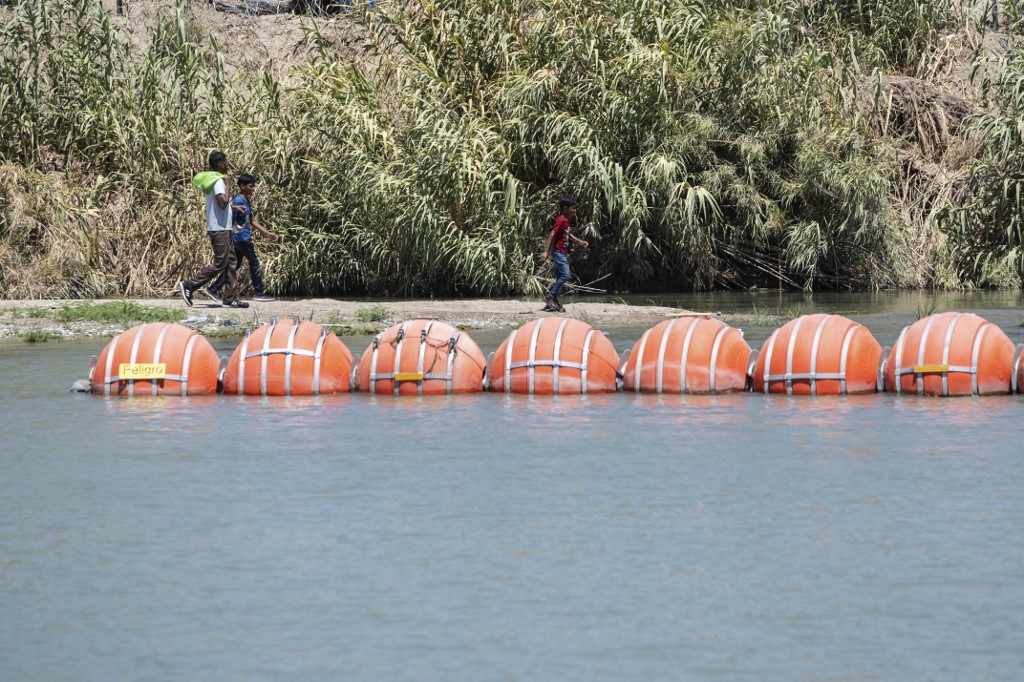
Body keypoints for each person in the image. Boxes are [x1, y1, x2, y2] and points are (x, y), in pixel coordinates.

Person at [179, 151, 248, 309]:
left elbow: (221, 205)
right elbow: (222, 203)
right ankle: (189, 286)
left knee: (231, 262)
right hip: (219, 228)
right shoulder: (218, 181)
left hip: (223, 227)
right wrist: (228, 184)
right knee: (220, 263)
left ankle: (230, 298)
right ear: (220, 164)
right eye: (226, 161)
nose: (228, 163)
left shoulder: (215, 180)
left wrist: (233, 206)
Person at [204, 173, 279, 303]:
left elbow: (251, 220)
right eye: (251, 186)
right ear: (242, 186)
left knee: (235, 264)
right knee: (254, 263)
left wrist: (267, 233)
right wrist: (233, 209)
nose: (253, 188)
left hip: (240, 238)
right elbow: (227, 210)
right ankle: (259, 293)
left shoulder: (245, 200)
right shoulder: (238, 200)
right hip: (242, 238)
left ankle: (213, 288)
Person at [540, 195, 588, 312]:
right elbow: (552, 234)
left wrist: (579, 241)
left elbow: (567, 234)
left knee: (559, 277)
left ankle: (552, 302)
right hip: (558, 251)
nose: (574, 210)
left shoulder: (567, 220)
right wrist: (545, 252)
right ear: (565, 208)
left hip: (562, 252)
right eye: (573, 208)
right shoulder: (561, 220)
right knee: (565, 275)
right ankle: (550, 296)